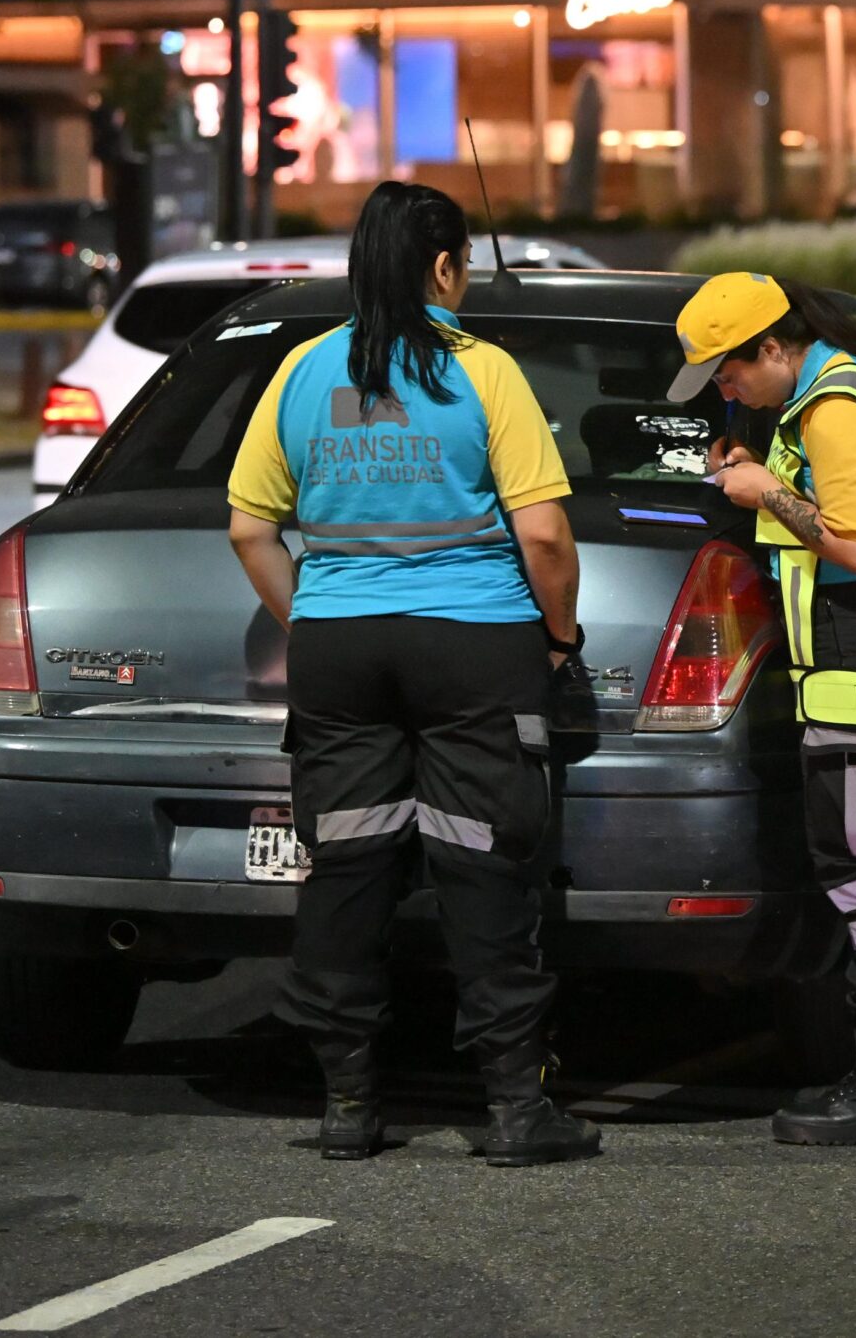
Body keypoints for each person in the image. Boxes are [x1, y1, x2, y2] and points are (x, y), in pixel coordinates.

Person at [227, 181, 599, 1167]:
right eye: (463, 263)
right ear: (442, 266)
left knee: (347, 866)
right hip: (473, 642)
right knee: (482, 862)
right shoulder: (483, 371)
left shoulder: (305, 369)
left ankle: (349, 1102)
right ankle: (515, 1107)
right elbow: (545, 534)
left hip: (339, 648)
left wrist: (313, 616)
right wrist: (559, 638)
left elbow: (249, 528)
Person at [668, 272, 856, 1146]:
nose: (727, 392)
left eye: (729, 373)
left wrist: (765, 492)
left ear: (772, 347)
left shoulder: (839, 406)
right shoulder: (821, 396)